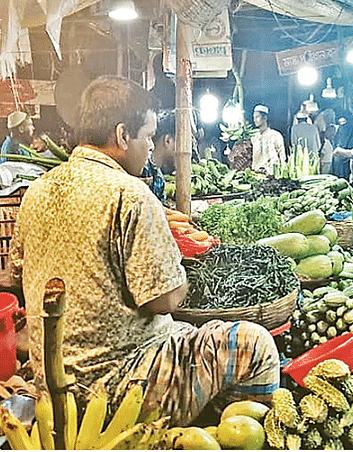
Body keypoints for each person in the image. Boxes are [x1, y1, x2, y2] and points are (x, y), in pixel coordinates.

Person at [9, 75, 280, 425]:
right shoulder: (130, 194)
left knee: (184, 334)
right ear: (122, 136)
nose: (152, 147)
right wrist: (179, 274)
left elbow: (16, 276)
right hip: (116, 388)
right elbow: (163, 300)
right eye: (149, 136)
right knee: (251, 343)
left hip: (54, 381)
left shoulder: (36, 192)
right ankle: (235, 434)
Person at [251, 104, 286, 175]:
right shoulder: (254, 137)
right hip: (257, 174)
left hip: (272, 174)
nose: (255, 120)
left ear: (265, 118)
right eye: (254, 117)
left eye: (257, 117)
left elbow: (282, 157)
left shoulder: (276, 135)